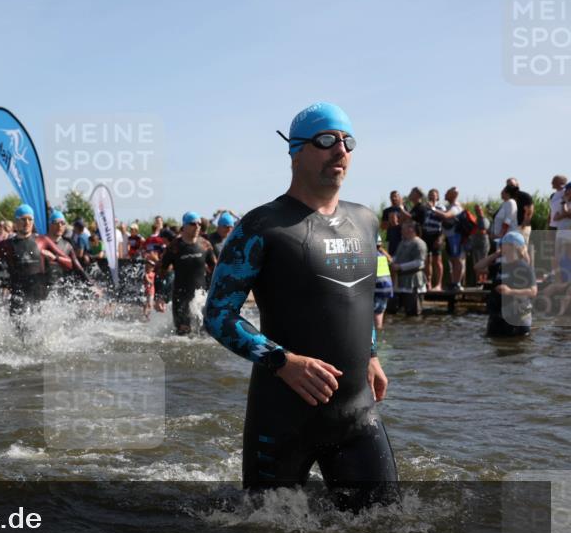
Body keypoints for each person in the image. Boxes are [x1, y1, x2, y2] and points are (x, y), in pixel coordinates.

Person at [204, 102, 396, 509]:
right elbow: (218, 314)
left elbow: (360, 297)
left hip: (356, 412)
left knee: (386, 532)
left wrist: (372, 353)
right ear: (295, 150)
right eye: (326, 140)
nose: (340, 150)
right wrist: (283, 361)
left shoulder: (366, 220)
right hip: (283, 414)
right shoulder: (262, 226)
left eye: (347, 141)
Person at [0, 204, 72, 318]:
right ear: (16, 222)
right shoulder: (6, 245)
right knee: (18, 334)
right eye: (23, 219)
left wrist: (55, 258)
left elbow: (69, 263)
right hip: (18, 298)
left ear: (33, 222)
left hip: (39, 298)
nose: (27, 223)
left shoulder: (43, 241)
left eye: (30, 219)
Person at [160, 211, 216, 335]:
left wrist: (218, 293)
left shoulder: (205, 245)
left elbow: (215, 270)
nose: (197, 226)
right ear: (184, 226)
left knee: (204, 334)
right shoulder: (175, 246)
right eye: (193, 224)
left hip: (200, 297)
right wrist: (159, 296)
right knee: (183, 335)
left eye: (199, 224)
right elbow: (161, 271)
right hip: (181, 297)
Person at [474, 231, 536, 337]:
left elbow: (533, 291)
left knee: (515, 348)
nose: (499, 246)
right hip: (498, 316)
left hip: (517, 317)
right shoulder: (499, 266)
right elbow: (477, 268)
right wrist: (496, 254)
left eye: (502, 244)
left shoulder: (523, 267)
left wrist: (510, 291)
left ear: (512, 246)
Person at [391, 220, 428, 316]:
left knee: (414, 314)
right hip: (401, 281)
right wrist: (390, 261)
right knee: (401, 313)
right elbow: (396, 257)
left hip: (414, 282)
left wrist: (400, 267)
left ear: (411, 229)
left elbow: (419, 262)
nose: (401, 230)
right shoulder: (402, 243)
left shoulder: (419, 243)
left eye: (403, 228)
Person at [440, 187, 466, 290]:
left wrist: (433, 210)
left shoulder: (456, 207)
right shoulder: (449, 206)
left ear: (453, 195)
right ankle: (454, 281)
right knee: (453, 259)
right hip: (449, 236)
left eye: (447, 193)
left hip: (456, 236)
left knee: (457, 259)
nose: (445, 194)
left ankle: (457, 283)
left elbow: (447, 216)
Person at [506, 177, 535, 242]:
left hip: (522, 226)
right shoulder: (508, 198)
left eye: (512, 185)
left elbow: (529, 211)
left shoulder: (524, 196)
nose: (510, 187)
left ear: (517, 185)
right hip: (512, 227)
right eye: (508, 185)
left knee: (522, 248)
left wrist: (523, 224)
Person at [380, 190, 407, 257]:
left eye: (395, 196)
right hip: (391, 239)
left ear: (399, 198)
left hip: (403, 238)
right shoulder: (386, 211)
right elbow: (382, 227)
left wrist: (398, 221)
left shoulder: (404, 209)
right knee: (392, 258)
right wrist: (390, 222)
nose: (393, 198)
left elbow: (408, 222)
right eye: (392, 197)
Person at [469, 204, 492, 282]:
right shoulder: (475, 219)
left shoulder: (484, 219)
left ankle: (484, 281)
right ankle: (478, 281)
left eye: (479, 209)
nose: (478, 211)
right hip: (475, 244)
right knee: (476, 262)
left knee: (484, 262)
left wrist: (474, 232)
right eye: (476, 210)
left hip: (483, 244)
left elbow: (483, 230)